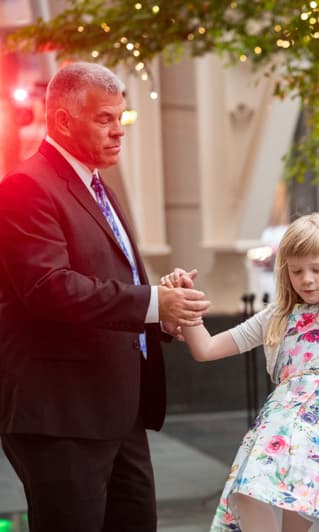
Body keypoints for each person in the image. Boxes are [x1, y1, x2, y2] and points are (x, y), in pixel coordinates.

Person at [162, 122, 319, 532]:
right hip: (283, 418)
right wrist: (184, 305)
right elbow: (206, 349)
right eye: (297, 270)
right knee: (249, 490)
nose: (307, 279)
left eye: (317, 269)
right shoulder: (276, 316)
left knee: (302, 520)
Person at [0, 62, 211, 532]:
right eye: (104, 119)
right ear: (62, 121)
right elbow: (49, 289)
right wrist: (152, 303)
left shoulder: (101, 190)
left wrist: (163, 312)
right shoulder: (25, 187)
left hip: (120, 411)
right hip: (62, 416)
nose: (119, 131)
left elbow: (110, 282)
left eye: (122, 119)